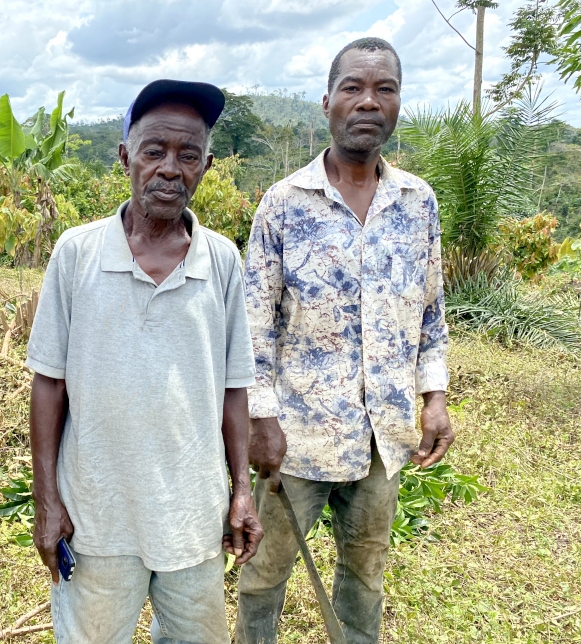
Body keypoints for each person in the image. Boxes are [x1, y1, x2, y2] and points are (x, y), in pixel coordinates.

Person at [27, 79, 263, 644]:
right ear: (125, 155)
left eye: (187, 155)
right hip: (96, 518)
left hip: (193, 522)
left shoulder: (223, 261)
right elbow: (48, 386)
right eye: (154, 150)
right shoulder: (77, 253)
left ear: (206, 165)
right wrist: (46, 502)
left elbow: (234, 389)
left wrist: (242, 489)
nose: (169, 168)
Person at [235, 38, 454, 644]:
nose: (368, 101)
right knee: (264, 572)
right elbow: (252, 323)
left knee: (365, 574)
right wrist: (260, 418)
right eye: (353, 88)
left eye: (384, 89)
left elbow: (430, 310)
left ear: (398, 105)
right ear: (327, 101)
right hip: (297, 437)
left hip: (385, 434)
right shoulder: (283, 204)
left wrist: (433, 397)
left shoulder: (418, 203)